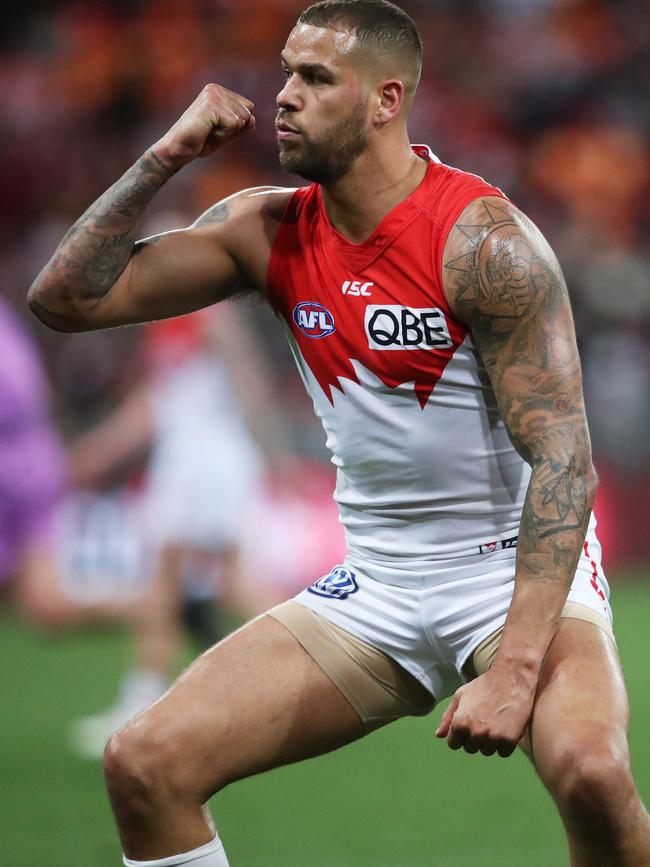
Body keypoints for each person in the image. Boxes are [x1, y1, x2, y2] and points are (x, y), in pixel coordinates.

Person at [28, 2, 650, 865]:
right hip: (380, 582)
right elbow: (65, 302)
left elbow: (566, 460)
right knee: (145, 763)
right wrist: (163, 157)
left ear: (386, 100)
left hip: (506, 567)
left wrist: (515, 668)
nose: (283, 96)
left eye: (315, 78)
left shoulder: (484, 241)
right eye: (286, 71)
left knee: (590, 772)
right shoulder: (266, 229)